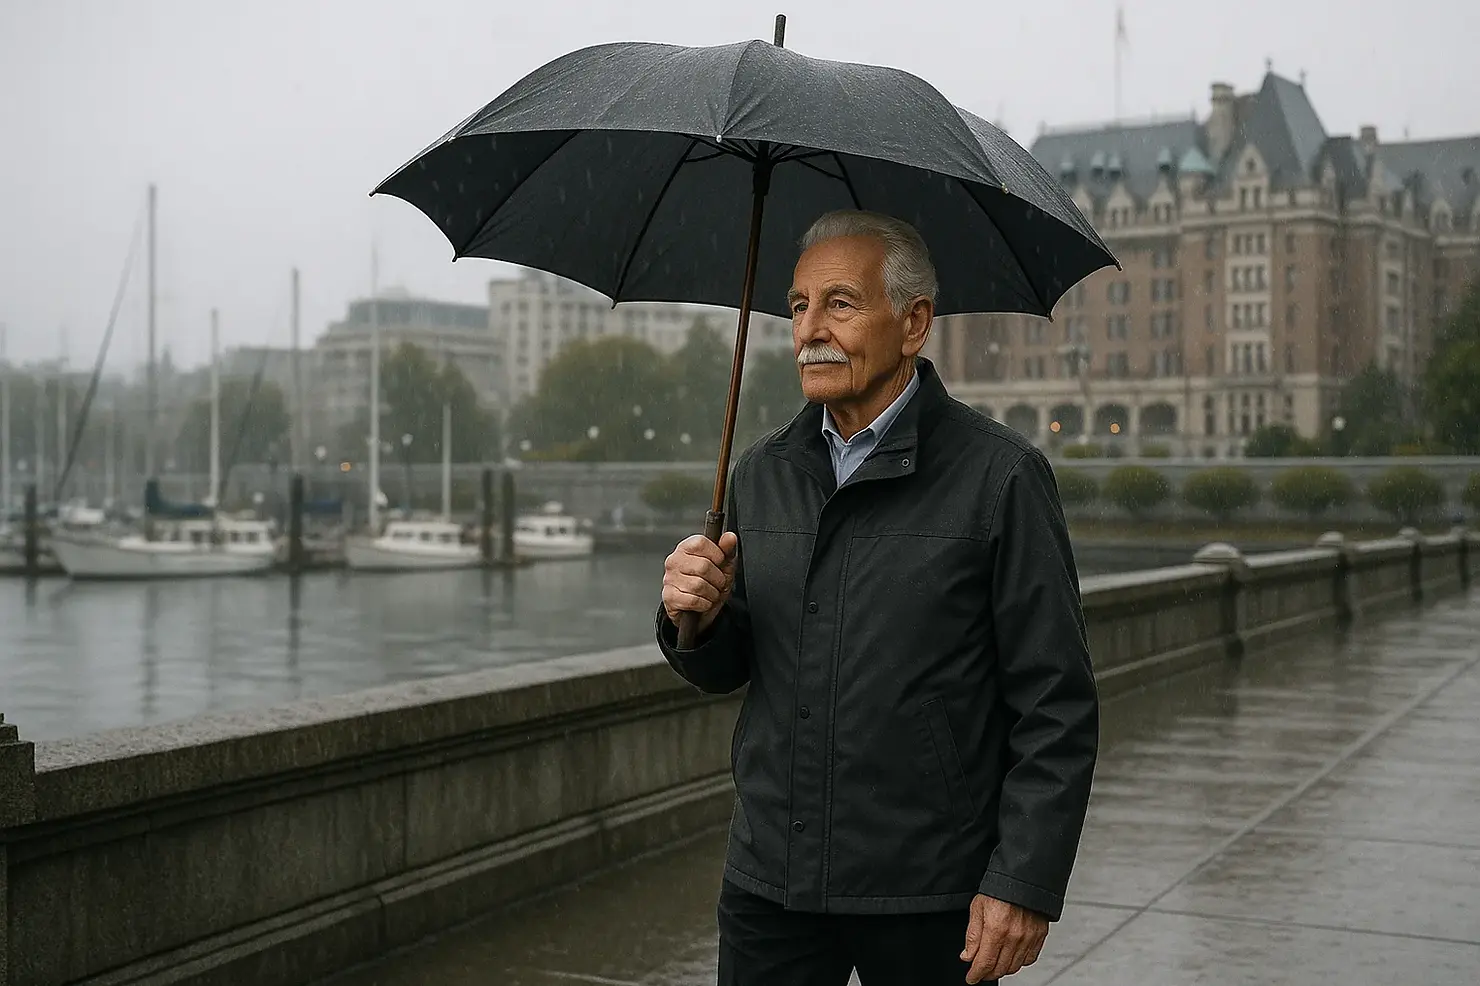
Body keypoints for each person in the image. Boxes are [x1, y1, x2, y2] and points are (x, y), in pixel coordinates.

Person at [657, 210, 1099, 985]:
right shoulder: (761, 473)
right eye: (798, 306)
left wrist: (1022, 880)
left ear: (914, 322)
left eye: (840, 303)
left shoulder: (1001, 477)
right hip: (772, 882)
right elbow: (735, 666)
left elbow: (1055, 703)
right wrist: (693, 617)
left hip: (930, 892)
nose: (810, 331)